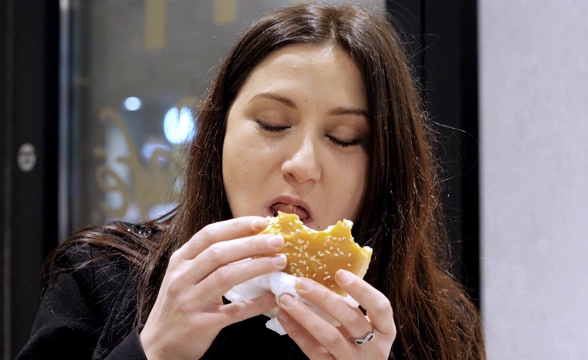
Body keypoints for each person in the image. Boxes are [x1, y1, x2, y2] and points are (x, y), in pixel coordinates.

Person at [18, 3, 485, 359]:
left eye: (343, 138)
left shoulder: (434, 324)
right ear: (219, 134)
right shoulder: (100, 275)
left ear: (385, 167)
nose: (303, 164)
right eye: (273, 124)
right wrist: (155, 349)